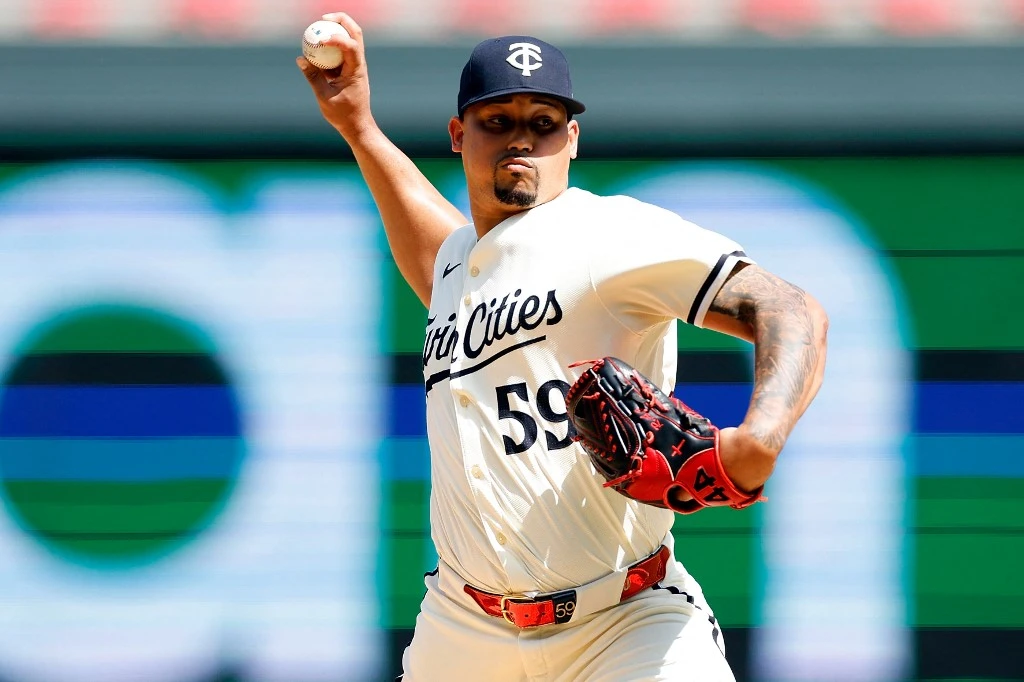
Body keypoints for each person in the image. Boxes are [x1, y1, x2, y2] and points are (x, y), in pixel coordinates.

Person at [298, 14, 829, 682]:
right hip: (463, 630)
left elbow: (791, 307)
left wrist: (761, 437)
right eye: (498, 120)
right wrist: (359, 127)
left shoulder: (607, 234)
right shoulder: (461, 263)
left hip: (623, 623)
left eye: (544, 123)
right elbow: (436, 255)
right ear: (459, 136)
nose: (521, 138)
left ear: (571, 139)